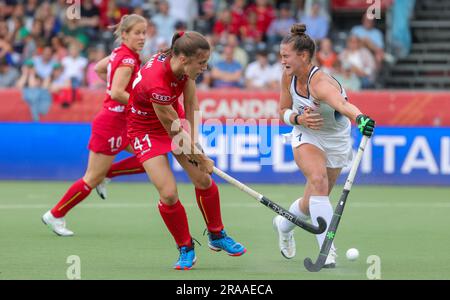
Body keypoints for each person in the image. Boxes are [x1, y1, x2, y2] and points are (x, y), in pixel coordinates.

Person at [127, 31, 246, 270]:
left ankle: (217, 235)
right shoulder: (157, 82)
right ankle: (185, 246)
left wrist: (196, 142)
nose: (205, 67)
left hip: (173, 120)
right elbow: (173, 131)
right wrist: (199, 156)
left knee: (203, 178)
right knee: (169, 193)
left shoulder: (184, 68)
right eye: (201, 63)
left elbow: (191, 104)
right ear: (184, 59)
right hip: (145, 130)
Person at [273, 24, 375, 267]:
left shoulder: (320, 84)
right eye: (281, 55)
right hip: (306, 135)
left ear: (304, 56)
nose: (282, 60)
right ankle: (327, 251)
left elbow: (342, 105)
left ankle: (284, 225)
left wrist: (360, 118)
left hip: (336, 141)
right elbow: (282, 111)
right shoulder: (287, 76)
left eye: (286, 55)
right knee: (318, 180)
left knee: (311, 203)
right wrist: (298, 119)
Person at [42, 14, 148, 236]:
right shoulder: (128, 60)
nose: (142, 37)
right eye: (137, 33)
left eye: (144, 32)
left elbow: (99, 69)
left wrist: (112, 87)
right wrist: (141, 105)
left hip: (121, 122)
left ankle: (107, 173)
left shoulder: (121, 53)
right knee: (91, 178)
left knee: (149, 157)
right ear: (125, 34)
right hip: (112, 122)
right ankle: (56, 214)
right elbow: (118, 92)